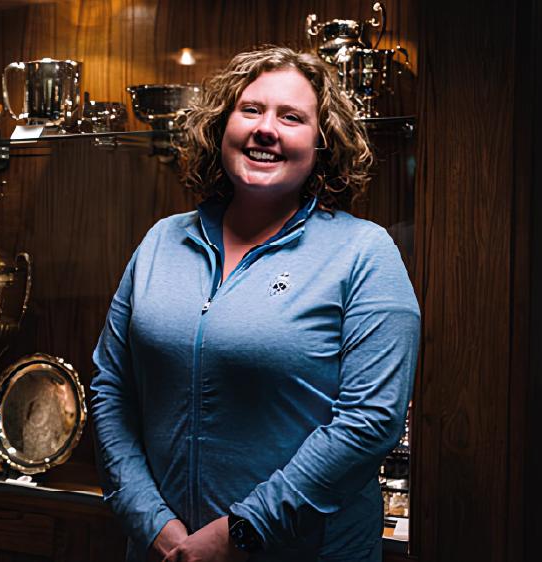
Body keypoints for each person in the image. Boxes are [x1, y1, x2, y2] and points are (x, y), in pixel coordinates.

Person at [90, 46, 419, 562]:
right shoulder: (160, 242)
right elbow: (111, 388)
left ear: (322, 143)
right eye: (251, 110)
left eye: (292, 117)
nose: (267, 129)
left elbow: (370, 421)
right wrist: (153, 524)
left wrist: (237, 534)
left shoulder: (363, 253)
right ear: (222, 127)